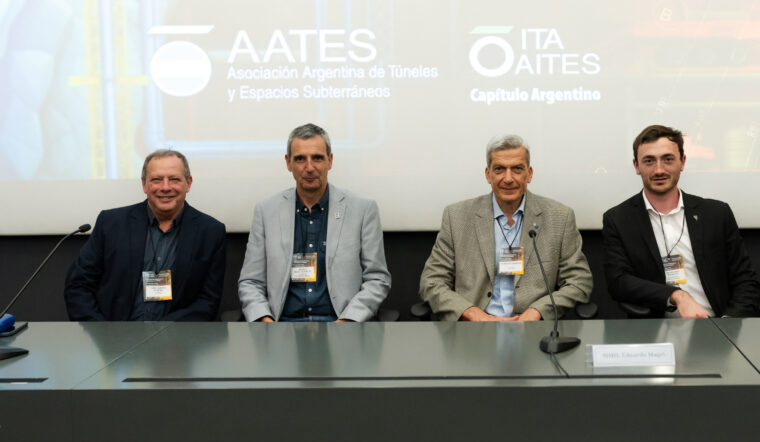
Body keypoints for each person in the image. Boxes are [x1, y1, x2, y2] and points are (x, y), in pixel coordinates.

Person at [419, 134, 593, 321]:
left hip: (533, 329)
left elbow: (579, 282)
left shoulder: (559, 217)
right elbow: (431, 282)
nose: (508, 178)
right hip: (475, 328)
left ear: (529, 174)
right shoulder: (457, 217)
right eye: (499, 169)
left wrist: (538, 312)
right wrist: (473, 313)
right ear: (488, 174)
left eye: (517, 169)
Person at [602, 124, 760, 318]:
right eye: (649, 161)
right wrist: (676, 295)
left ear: (682, 162)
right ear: (636, 166)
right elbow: (619, 282)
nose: (659, 169)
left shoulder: (716, 214)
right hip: (658, 330)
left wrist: (727, 323)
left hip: (718, 323)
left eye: (668, 159)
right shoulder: (619, 219)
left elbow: (746, 281)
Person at [238, 123, 391, 322]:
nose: (309, 167)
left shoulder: (363, 210)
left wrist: (348, 321)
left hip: (342, 326)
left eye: (317, 158)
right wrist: (265, 321)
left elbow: (377, 279)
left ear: (330, 160)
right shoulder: (266, 211)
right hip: (281, 327)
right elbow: (250, 282)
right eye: (300, 159)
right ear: (288, 163)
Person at [64, 150, 226, 321]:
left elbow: (208, 301)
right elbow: (79, 285)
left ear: (188, 183)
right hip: (114, 334)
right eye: (157, 180)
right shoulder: (111, 224)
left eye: (174, 179)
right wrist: (101, 331)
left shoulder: (210, 232)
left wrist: (167, 333)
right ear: (144, 184)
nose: (165, 187)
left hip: (177, 336)